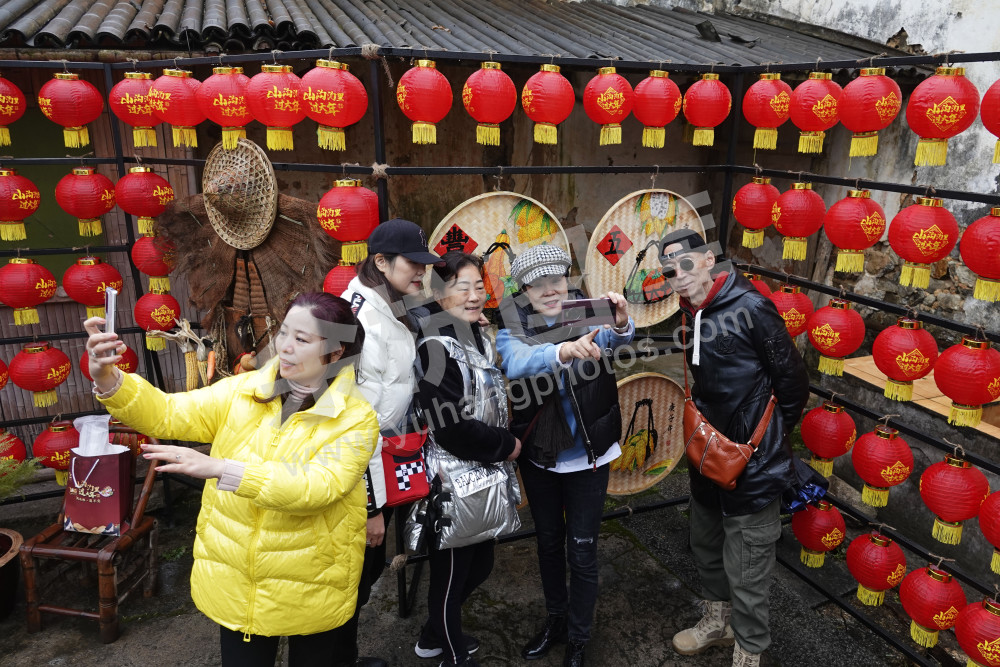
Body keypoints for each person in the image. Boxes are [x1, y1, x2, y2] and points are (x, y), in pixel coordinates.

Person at [83, 293, 378, 667]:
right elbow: (169, 412)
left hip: (313, 576)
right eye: (284, 332)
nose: (285, 347)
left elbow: (318, 487)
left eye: (302, 340)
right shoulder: (244, 390)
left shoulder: (355, 417)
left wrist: (224, 469)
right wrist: (109, 379)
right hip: (239, 575)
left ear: (336, 352)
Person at [659, 229, 809, 667]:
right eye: (670, 272)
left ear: (708, 259)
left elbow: (793, 382)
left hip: (753, 461)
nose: (678, 277)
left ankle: (749, 650)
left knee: (748, 563)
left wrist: (764, 439)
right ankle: (717, 624)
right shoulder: (690, 312)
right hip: (707, 453)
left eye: (685, 265)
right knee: (705, 543)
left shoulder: (752, 307)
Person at [496, 245, 634, 667]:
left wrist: (624, 320)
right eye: (538, 285)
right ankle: (555, 619)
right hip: (541, 456)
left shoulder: (585, 311)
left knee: (582, 547)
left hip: (589, 455)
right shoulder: (511, 324)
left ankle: (579, 636)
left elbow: (616, 338)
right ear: (523, 289)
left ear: (567, 279)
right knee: (549, 542)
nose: (550, 290)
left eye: (556, 280)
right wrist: (562, 351)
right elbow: (515, 361)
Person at [409, 252, 522, 667]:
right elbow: (451, 427)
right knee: (452, 575)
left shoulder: (477, 334)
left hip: (484, 473)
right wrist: (506, 445)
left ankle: (432, 635)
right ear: (439, 294)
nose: (474, 296)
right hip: (452, 476)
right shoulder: (435, 348)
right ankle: (454, 657)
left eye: (479, 286)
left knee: (480, 565)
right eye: (462, 287)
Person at [340, 217, 443, 667]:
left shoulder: (389, 303)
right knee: (353, 575)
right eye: (413, 263)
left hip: (384, 453)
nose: (421, 272)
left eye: (425, 263)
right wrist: (370, 508)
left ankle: (341, 654)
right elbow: (346, 422)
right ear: (380, 261)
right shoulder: (355, 319)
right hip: (357, 468)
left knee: (366, 572)